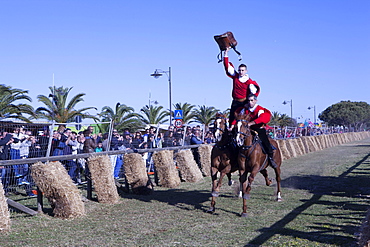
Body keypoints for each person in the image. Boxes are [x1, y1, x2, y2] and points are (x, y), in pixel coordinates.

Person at [230, 94, 277, 168]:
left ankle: (271, 158)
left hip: (258, 129)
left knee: (265, 142)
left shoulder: (260, 109)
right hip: (246, 130)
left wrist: (251, 123)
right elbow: (237, 118)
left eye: (252, 100)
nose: (250, 102)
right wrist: (232, 126)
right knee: (235, 140)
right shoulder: (244, 109)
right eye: (248, 100)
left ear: (255, 101)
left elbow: (263, 118)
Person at [223, 47, 260, 126]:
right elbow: (227, 67)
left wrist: (249, 103)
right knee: (232, 119)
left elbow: (254, 94)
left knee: (242, 121)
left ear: (246, 71)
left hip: (244, 103)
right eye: (239, 70)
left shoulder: (249, 82)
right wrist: (226, 53)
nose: (240, 72)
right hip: (235, 102)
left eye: (242, 70)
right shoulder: (235, 77)